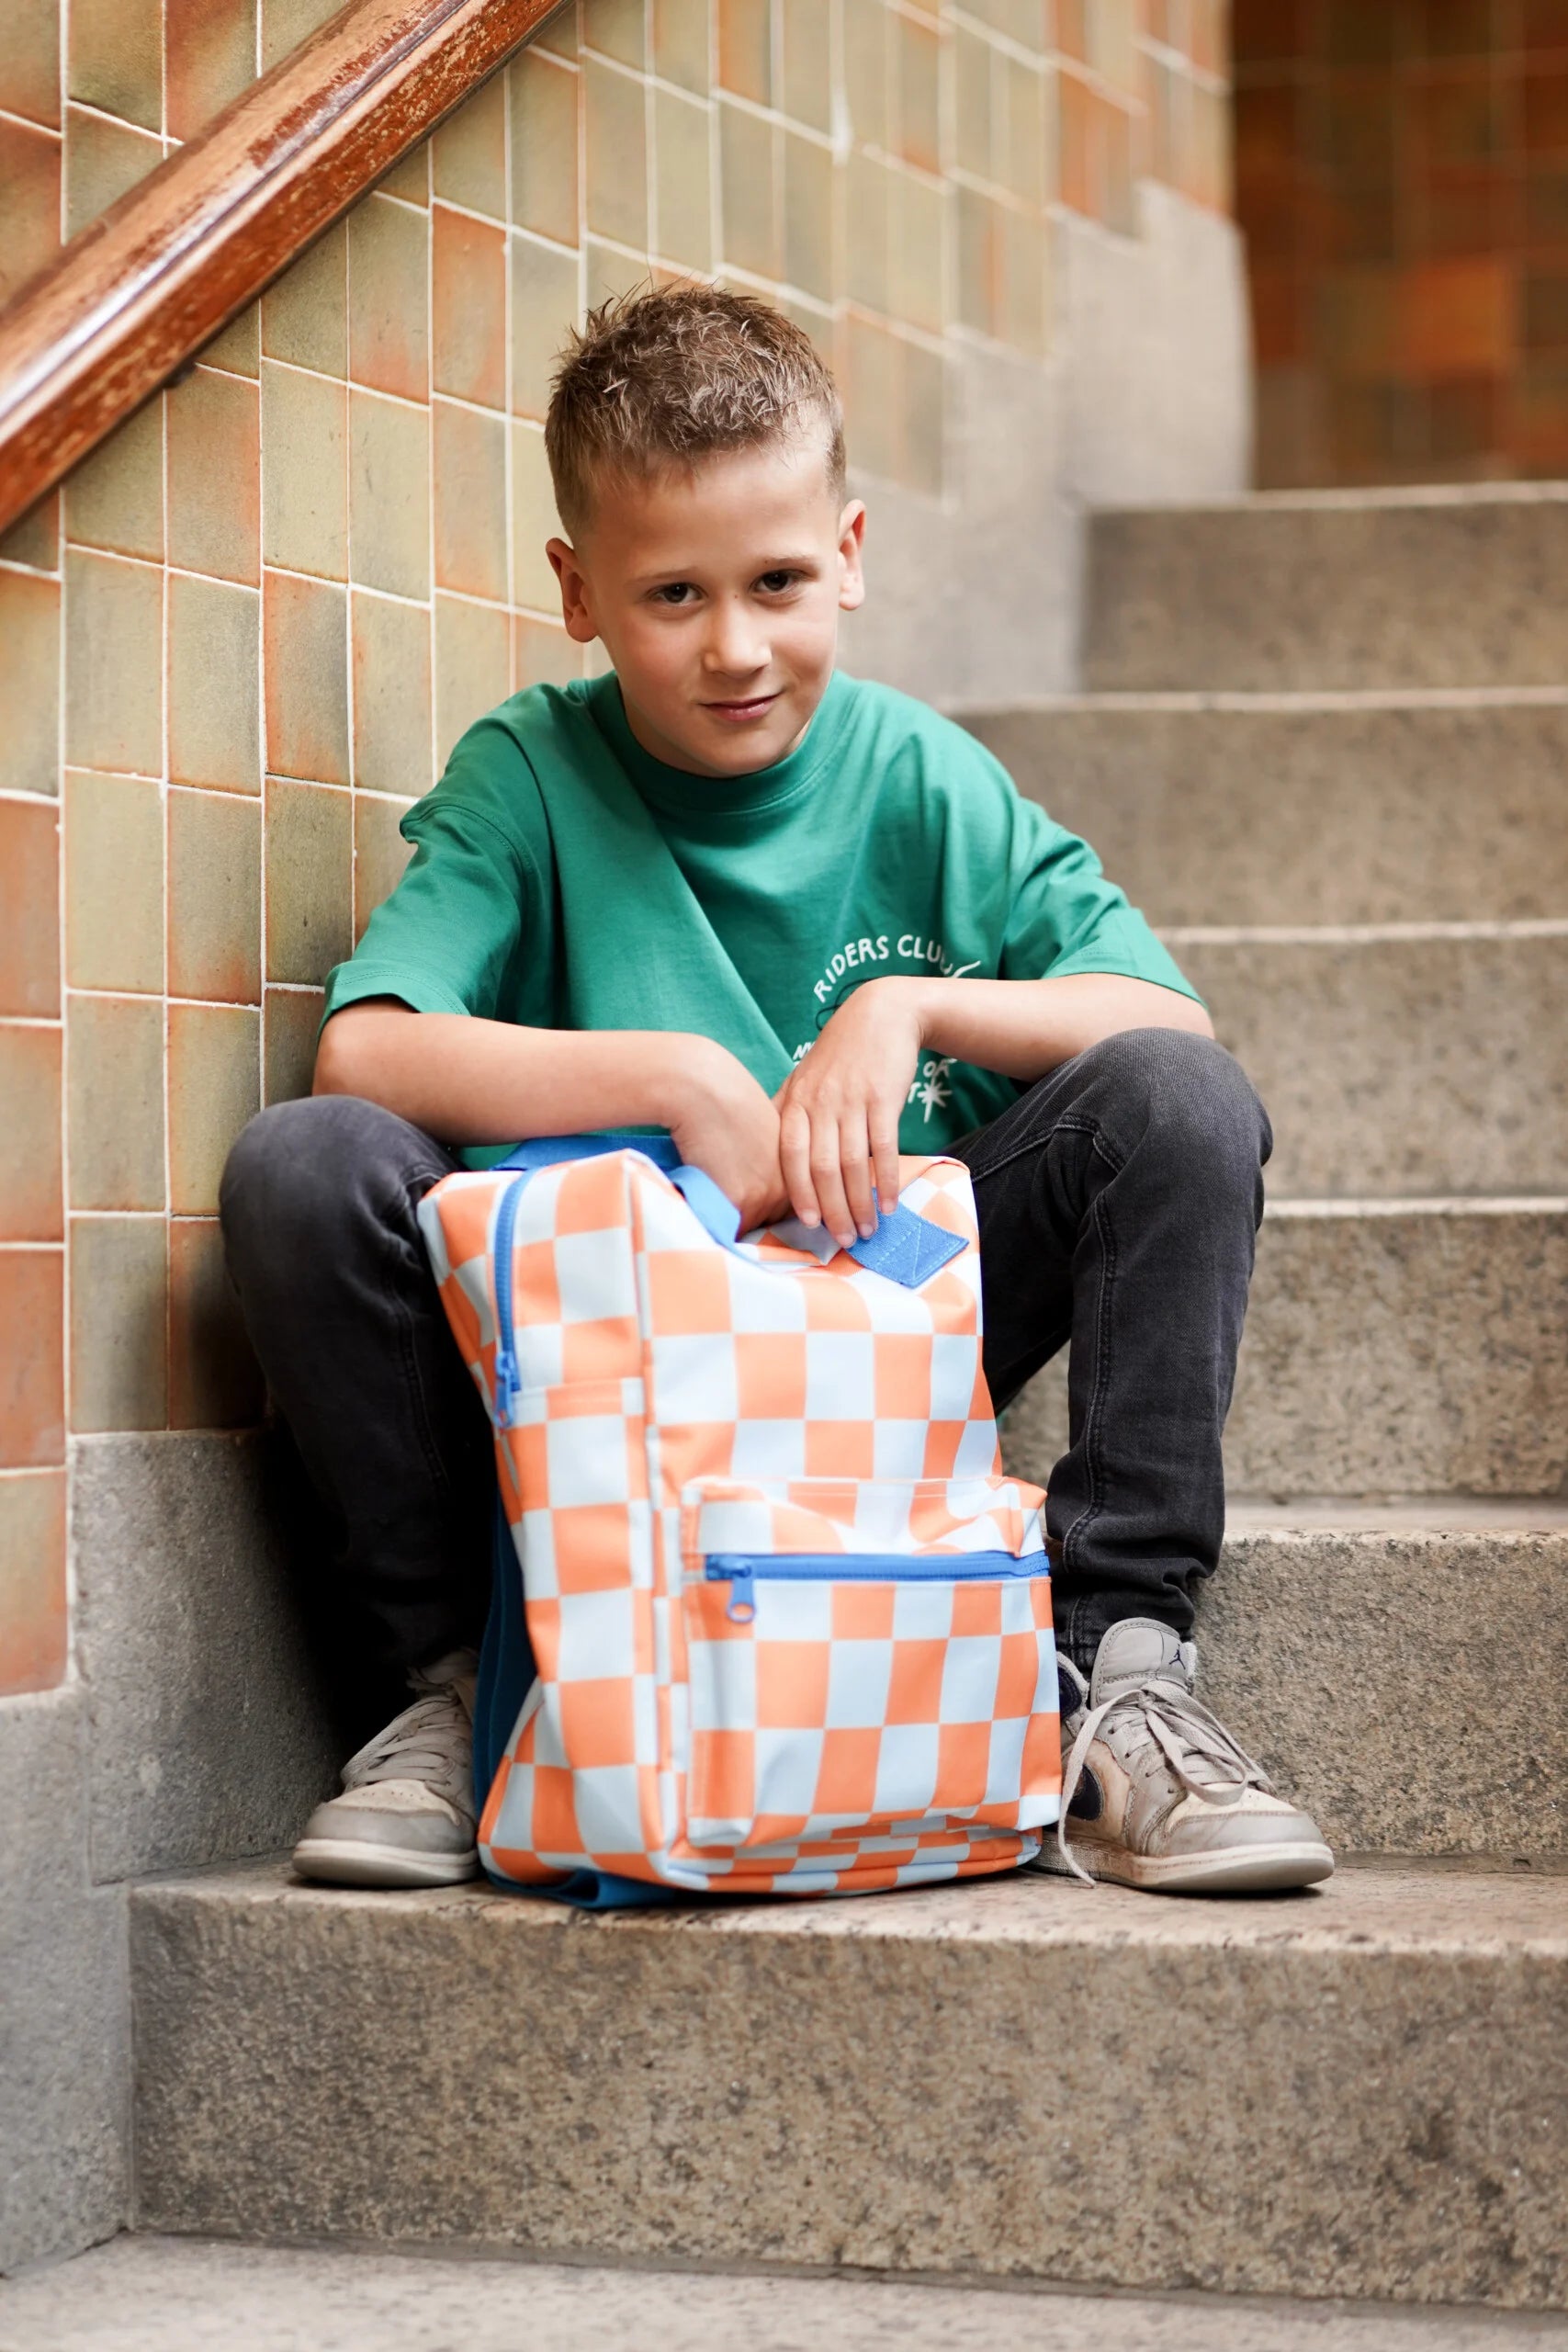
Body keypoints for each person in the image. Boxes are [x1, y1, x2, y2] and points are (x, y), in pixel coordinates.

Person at [220, 284, 1332, 1899]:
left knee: (1173, 1100)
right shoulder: (530, 771)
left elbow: (1170, 1017)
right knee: (304, 1163)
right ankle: (466, 1698)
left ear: (851, 555)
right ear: (579, 591)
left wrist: (907, 1004)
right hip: (604, 1367)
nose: (734, 646)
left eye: (778, 583)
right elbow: (366, 1050)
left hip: (875, 1331)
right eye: (673, 593)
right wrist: (681, 1079)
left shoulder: (921, 775)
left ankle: (1120, 1680)